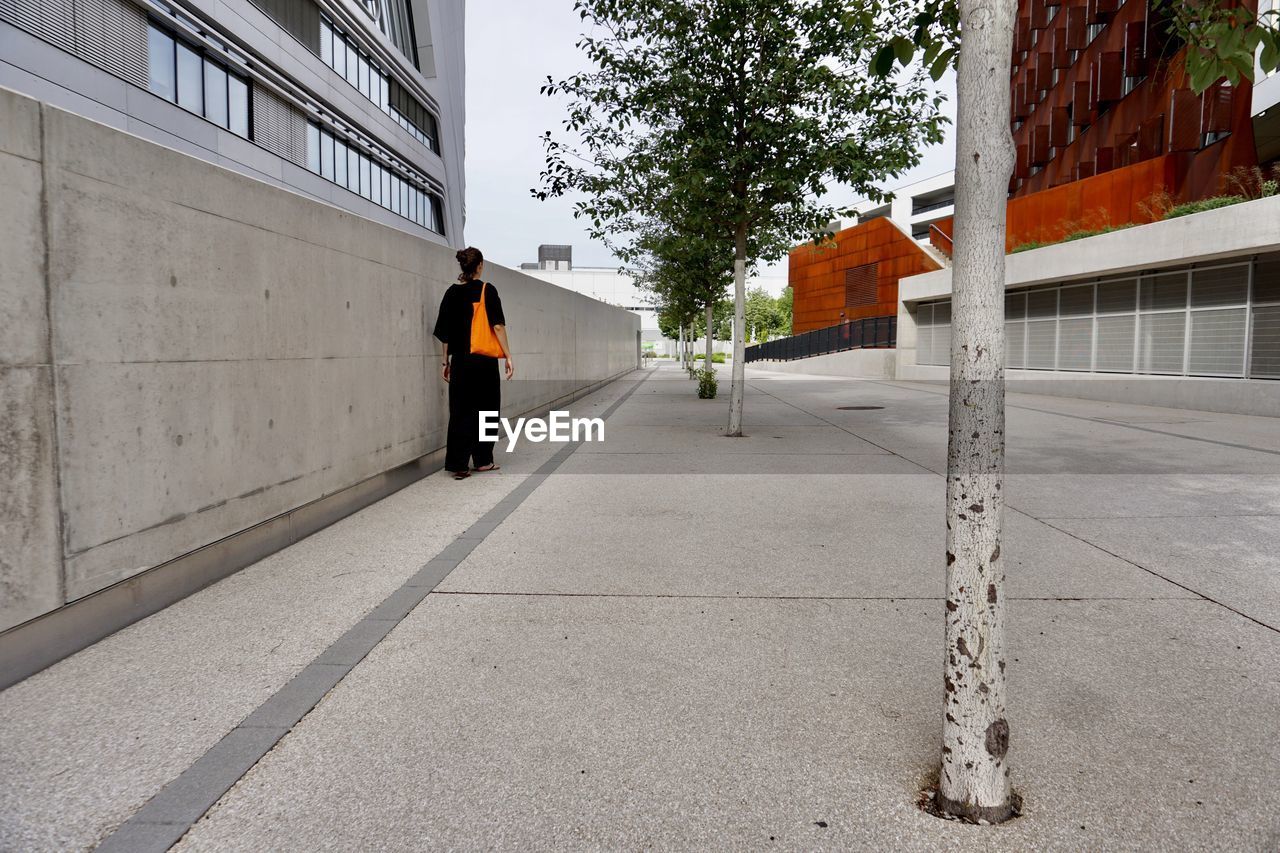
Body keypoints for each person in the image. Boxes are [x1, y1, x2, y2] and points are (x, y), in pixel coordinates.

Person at [433, 247, 515, 480]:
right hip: (484, 362)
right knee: (487, 410)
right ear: (479, 266)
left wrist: (444, 362)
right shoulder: (488, 291)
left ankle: (459, 464)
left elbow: (445, 333)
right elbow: (498, 326)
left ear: (463, 267)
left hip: (460, 361)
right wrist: (508, 355)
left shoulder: (451, 293)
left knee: (460, 410)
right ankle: (483, 460)